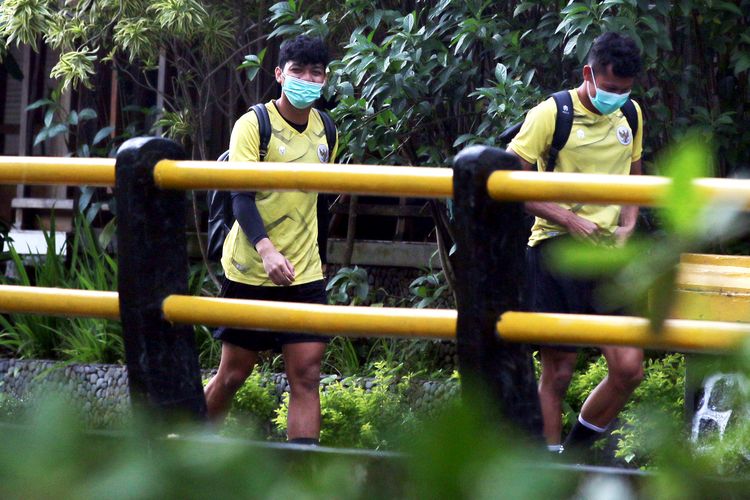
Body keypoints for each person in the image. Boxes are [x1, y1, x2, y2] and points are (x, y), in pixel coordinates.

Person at [507, 32, 645, 456]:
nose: (617, 97)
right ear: (588, 73)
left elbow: (634, 177)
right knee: (559, 371)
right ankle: (552, 472)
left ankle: (578, 452)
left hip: (609, 257)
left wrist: (628, 225)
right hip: (556, 248)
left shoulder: (632, 114)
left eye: (625, 90)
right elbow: (513, 183)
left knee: (629, 368)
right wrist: (569, 219)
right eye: (610, 88)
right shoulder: (551, 114)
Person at [204, 35, 337, 446]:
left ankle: (302, 472)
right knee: (233, 374)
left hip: (305, 272)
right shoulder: (253, 124)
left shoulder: (327, 130)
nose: (306, 79)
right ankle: (186, 449)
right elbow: (240, 197)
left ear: (325, 79)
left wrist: (322, 257)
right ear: (280, 74)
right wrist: (267, 251)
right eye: (298, 71)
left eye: (315, 73)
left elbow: (321, 202)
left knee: (307, 374)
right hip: (251, 268)